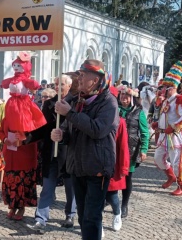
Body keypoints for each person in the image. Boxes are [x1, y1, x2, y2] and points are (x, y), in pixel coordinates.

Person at [52, 59, 119, 240]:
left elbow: (97, 130)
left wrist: (70, 114)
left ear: (95, 79)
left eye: (82, 75)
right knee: (83, 217)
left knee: (91, 217)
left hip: (97, 168)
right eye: (78, 75)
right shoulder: (77, 100)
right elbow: (69, 129)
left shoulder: (109, 103)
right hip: (77, 166)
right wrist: (61, 135)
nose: (78, 79)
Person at [27, 75, 76, 234]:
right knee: (47, 187)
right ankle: (40, 219)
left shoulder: (75, 103)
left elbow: (76, 127)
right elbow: (43, 128)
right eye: (55, 84)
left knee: (70, 187)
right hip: (51, 152)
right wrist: (27, 138)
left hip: (68, 152)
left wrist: (63, 134)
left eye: (61, 84)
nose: (58, 87)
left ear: (69, 86)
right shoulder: (48, 104)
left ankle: (70, 214)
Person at [152, 60, 182, 196]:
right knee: (158, 158)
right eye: (164, 87)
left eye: (167, 88)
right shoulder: (165, 101)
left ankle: (181, 186)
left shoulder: (181, 99)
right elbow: (164, 116)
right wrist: (158, 124)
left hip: (177, 137)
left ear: (173, 88)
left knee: (178, 163)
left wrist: (174, 127)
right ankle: (171, 176)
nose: (164, 90)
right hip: (164, 136)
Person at [116, 84, 149, 218]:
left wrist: (144, 150)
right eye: (122, 95)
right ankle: (110, 198)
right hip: (115, 147)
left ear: (132, 98)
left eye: (127, 96)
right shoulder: (114, 109)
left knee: (128, 176)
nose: (124, 97)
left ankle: (124, 204)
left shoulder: (138, 112)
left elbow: (145, 132)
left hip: (131, 148)